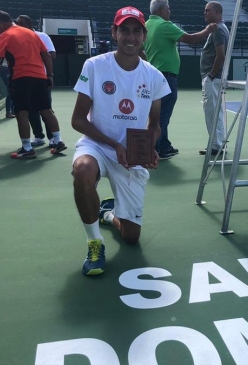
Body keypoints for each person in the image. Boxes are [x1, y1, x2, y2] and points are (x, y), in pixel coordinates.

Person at [71, 6, 171, 276]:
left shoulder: (153, 76)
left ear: (143, 36)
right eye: (124, 30)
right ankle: (94, 242)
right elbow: (78, 120)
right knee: (83, 169)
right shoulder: (95, 66)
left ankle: (107, 214)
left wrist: (149, 146)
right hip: (99, 146)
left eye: (136, 31)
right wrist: (114, 144)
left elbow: (155, 125)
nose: (130, 37)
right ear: (114, 33)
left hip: (132, 156)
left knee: (131, 237)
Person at [0, 10, 66, 159]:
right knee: (46, 109)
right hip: (40, 77)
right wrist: (49, 75)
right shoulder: (31, 33)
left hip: (21, 78)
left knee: (21, 113)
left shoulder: (5, 36)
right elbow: (46, 54)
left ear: (1, 22)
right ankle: (58, 142)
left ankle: (27, 148)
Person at [143, 0, 217, 160]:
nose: (170, 12)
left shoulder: (147, 25)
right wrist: (208, 30)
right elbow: (190, 39)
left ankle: (164, 146)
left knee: (156, 114)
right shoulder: (164, 25)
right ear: (162, 9)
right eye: (168, 9)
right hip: (166, 77)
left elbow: (141, 52)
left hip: (152, 76)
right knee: (162, 115)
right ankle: (157, 149)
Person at [15, 15, 57, 148]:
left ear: (28, 24)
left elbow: (52, 55)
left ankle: (53, 138)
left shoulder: (42, 36)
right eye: (17, 23)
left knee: (46, 108)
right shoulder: (17, 37)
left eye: (20, 23)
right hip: (24, 78)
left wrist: (33, 57)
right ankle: (38, 136)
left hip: (41, 77)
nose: (18, 25)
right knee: (30, 110)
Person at [199, 1, 229, 156]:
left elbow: (221, 55)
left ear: (217, 12)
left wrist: (211, 75)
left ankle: (216, 146)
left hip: (213, 78)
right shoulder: (218, 29)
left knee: (212, 112)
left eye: (208, 11)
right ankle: (218, 143)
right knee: (216, 112)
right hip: (215, 77)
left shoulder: (217, 30)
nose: (205, 13)